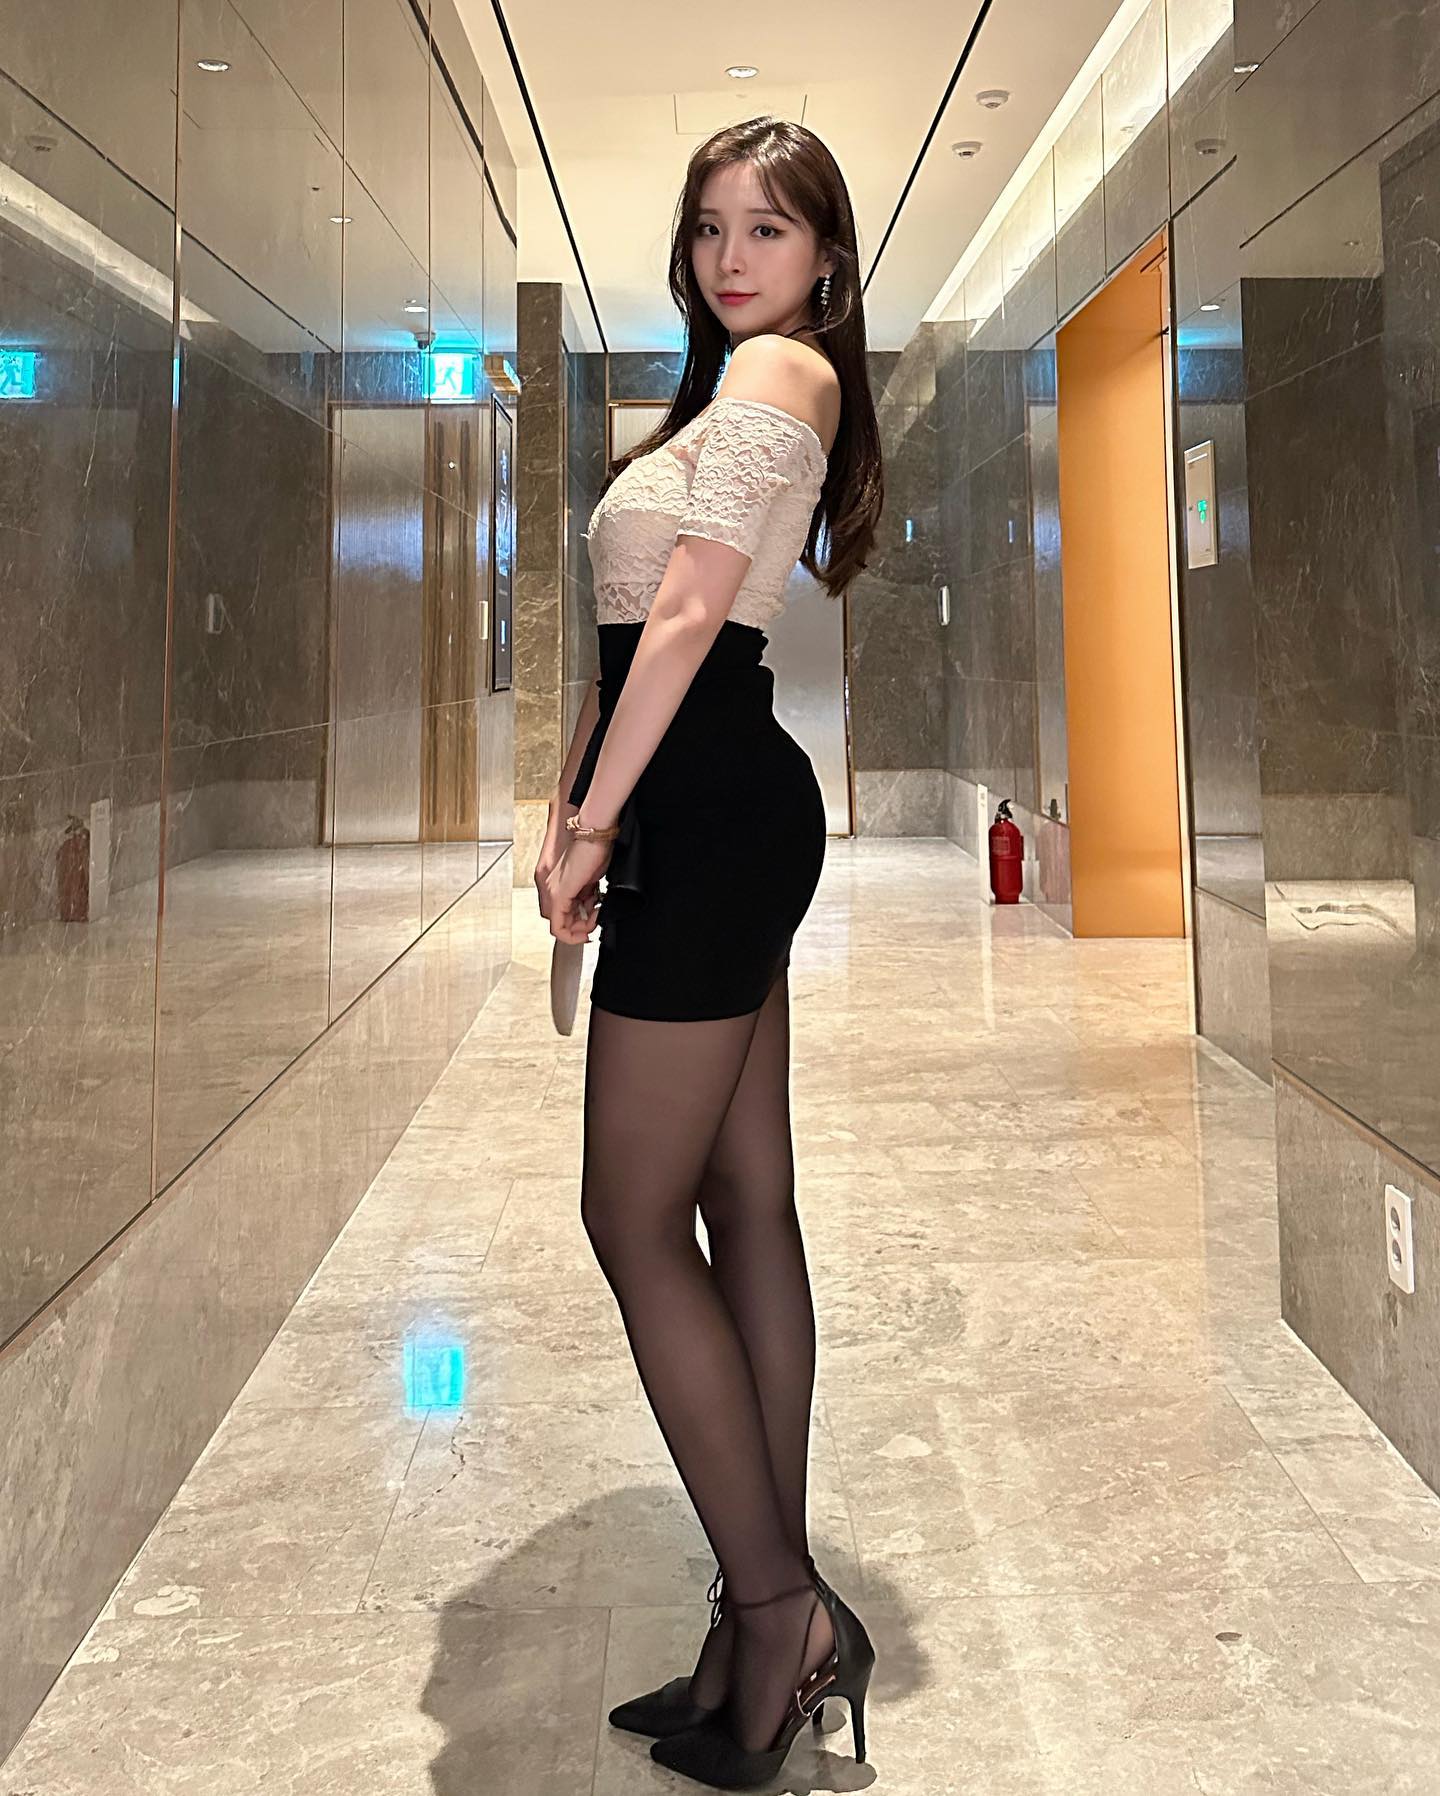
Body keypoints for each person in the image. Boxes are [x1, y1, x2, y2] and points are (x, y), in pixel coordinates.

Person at [532, 115, 884, 1790]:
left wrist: (599, 823)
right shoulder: (720, 394)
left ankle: (776, 1609)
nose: (733, 257)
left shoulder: (784, 374)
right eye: (710, 228)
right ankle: (760, 1625)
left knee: (631, 1214)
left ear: (826, 262)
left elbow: (686, 618)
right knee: (742, 1202)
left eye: (769, 228)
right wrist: (575, 801)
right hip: (707, 799)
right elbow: (627, 637)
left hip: (713, 807)